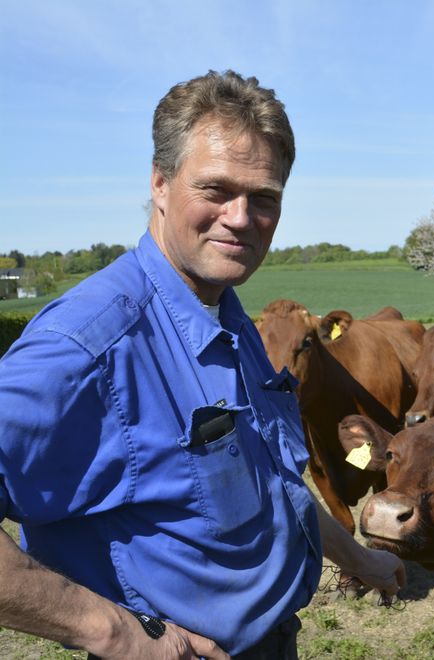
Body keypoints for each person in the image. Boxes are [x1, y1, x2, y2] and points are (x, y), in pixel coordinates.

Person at [0, 70, 405, 659]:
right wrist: (115, 634)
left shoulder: (228, 315)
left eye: (265, 198)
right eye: (216, 190)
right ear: (160, 183)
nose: (241, 217)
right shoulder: (92, 345)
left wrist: (358, 556)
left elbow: (269, 485)